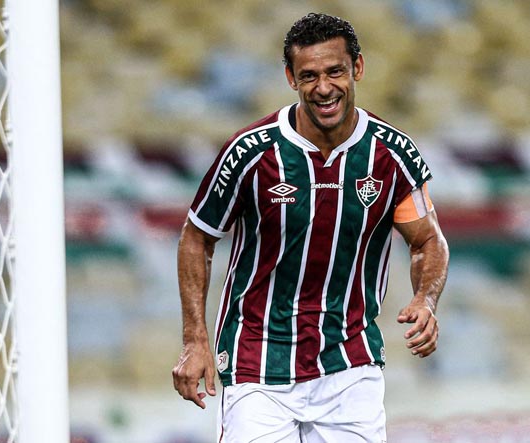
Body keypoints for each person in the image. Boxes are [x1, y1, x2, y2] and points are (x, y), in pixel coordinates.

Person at [173, 12, 449, 443]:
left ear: (357, 68)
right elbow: (197, 236)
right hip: (258, 362)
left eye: (335, 71)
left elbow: (427, 239)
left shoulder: (391, 154)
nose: (323, 87)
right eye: (309, 76)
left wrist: (425, 298)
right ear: (291, 77)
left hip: (349, 363)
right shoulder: (251, 152)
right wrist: (195, 339)